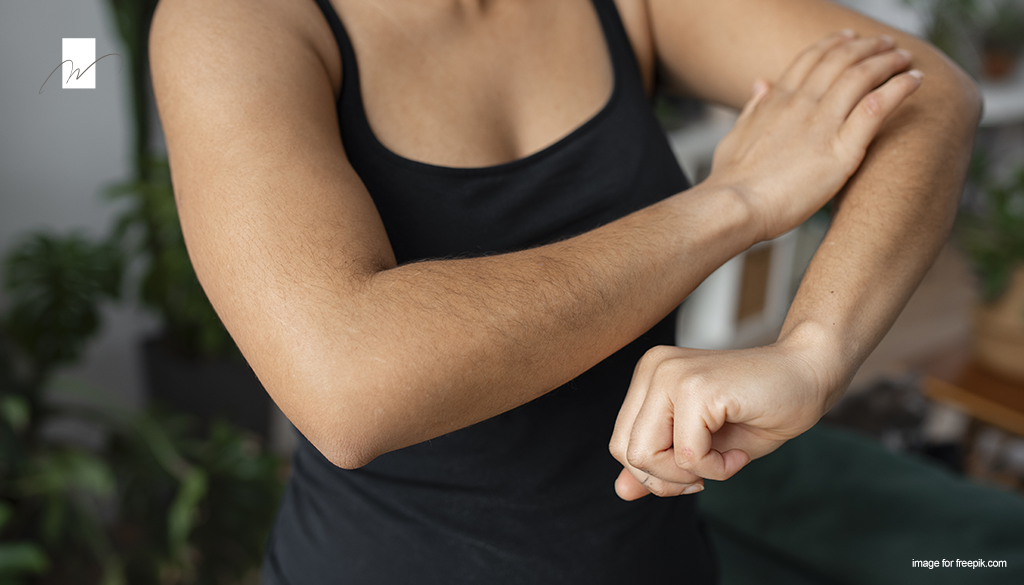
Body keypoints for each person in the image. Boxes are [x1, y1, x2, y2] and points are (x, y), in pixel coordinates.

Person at [148, 0, 980, 582]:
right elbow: (347, 383)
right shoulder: (235, 22)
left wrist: (813, 353)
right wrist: (731, 205)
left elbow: (929, 95)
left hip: (656, 562)